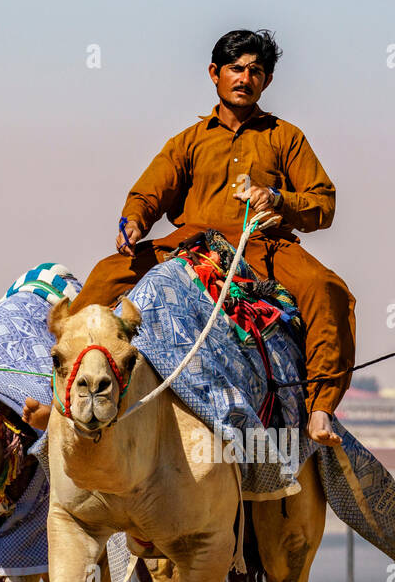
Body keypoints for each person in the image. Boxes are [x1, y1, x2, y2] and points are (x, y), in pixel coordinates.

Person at [72, 29, 355, 446]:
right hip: (193, 243)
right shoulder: (189, 140)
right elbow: (152, 190)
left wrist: (276, 198)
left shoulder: (286, 137)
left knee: (326, 288)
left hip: (262, 246)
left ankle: (320, 409)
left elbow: (323, 204)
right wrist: (134, 221)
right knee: (107, 274)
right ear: (214, 73)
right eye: (236, 68)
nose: (245, 77)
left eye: (256, 71)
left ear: (268, 81)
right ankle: (56, 388)